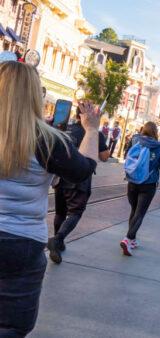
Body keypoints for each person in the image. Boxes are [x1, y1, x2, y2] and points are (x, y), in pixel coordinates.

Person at [0, 61, 99, 336]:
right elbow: (84, 171)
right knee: (12, 325)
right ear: (35, 94)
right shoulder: (47, 140)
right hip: (22, 241)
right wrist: (91, 130)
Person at [47, 106, 111, 264]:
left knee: (60, 212)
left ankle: (58, 242)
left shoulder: (65, 128)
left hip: (60, 176)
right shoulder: (95, 132)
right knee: (75, 212)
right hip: (79, 179)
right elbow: (104, 156)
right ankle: (58, 239)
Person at [120, 122, 160, 256]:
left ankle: (133, 239)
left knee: (134, 210)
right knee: (140, 213)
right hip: (148, 183)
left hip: (132, 181)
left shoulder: (135, 139)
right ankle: (128, 238)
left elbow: (127, 156)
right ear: (155, 132)